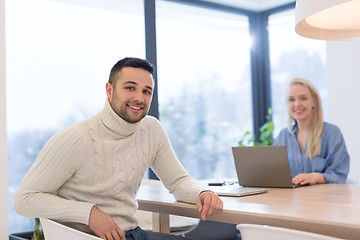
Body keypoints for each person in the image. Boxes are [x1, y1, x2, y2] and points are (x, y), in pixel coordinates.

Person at [14, 57, 223, 240]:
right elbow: (25, 199)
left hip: (132, 233)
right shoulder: (76, 138)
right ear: (109, 90)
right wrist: (89, 213)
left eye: (146, 91)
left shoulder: (151, 130)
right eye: (130, 88)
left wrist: (201, 192)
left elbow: (178, 182)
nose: (139, 98)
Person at [274, 77, 350, 186]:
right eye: (291, 99)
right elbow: (275, 173)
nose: (296, 104)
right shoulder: (283, 136)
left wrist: (318, 177)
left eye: (303, 98)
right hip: (292, 200)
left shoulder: (332, 133)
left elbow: (340, 175)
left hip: (324, 199)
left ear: (314, 102)